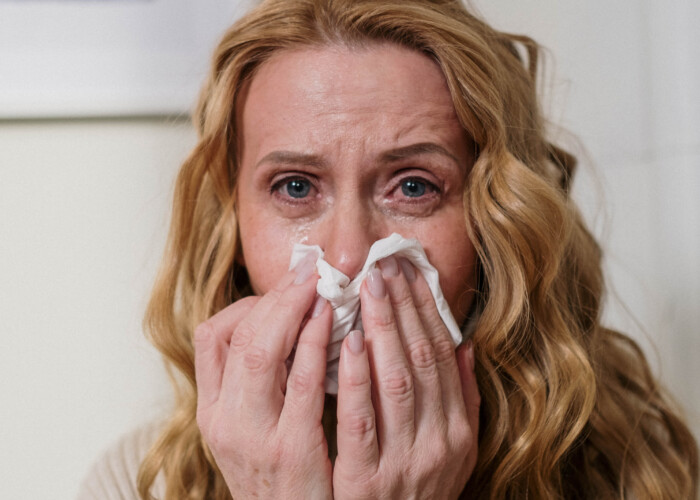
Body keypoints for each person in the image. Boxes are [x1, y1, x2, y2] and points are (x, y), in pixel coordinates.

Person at [78, 0, 699, 498]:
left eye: (413, 187)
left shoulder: (637, 472)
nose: (348, 257)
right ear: (233, 229)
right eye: (296, 187)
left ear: (499, 225)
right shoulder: (142, 483)